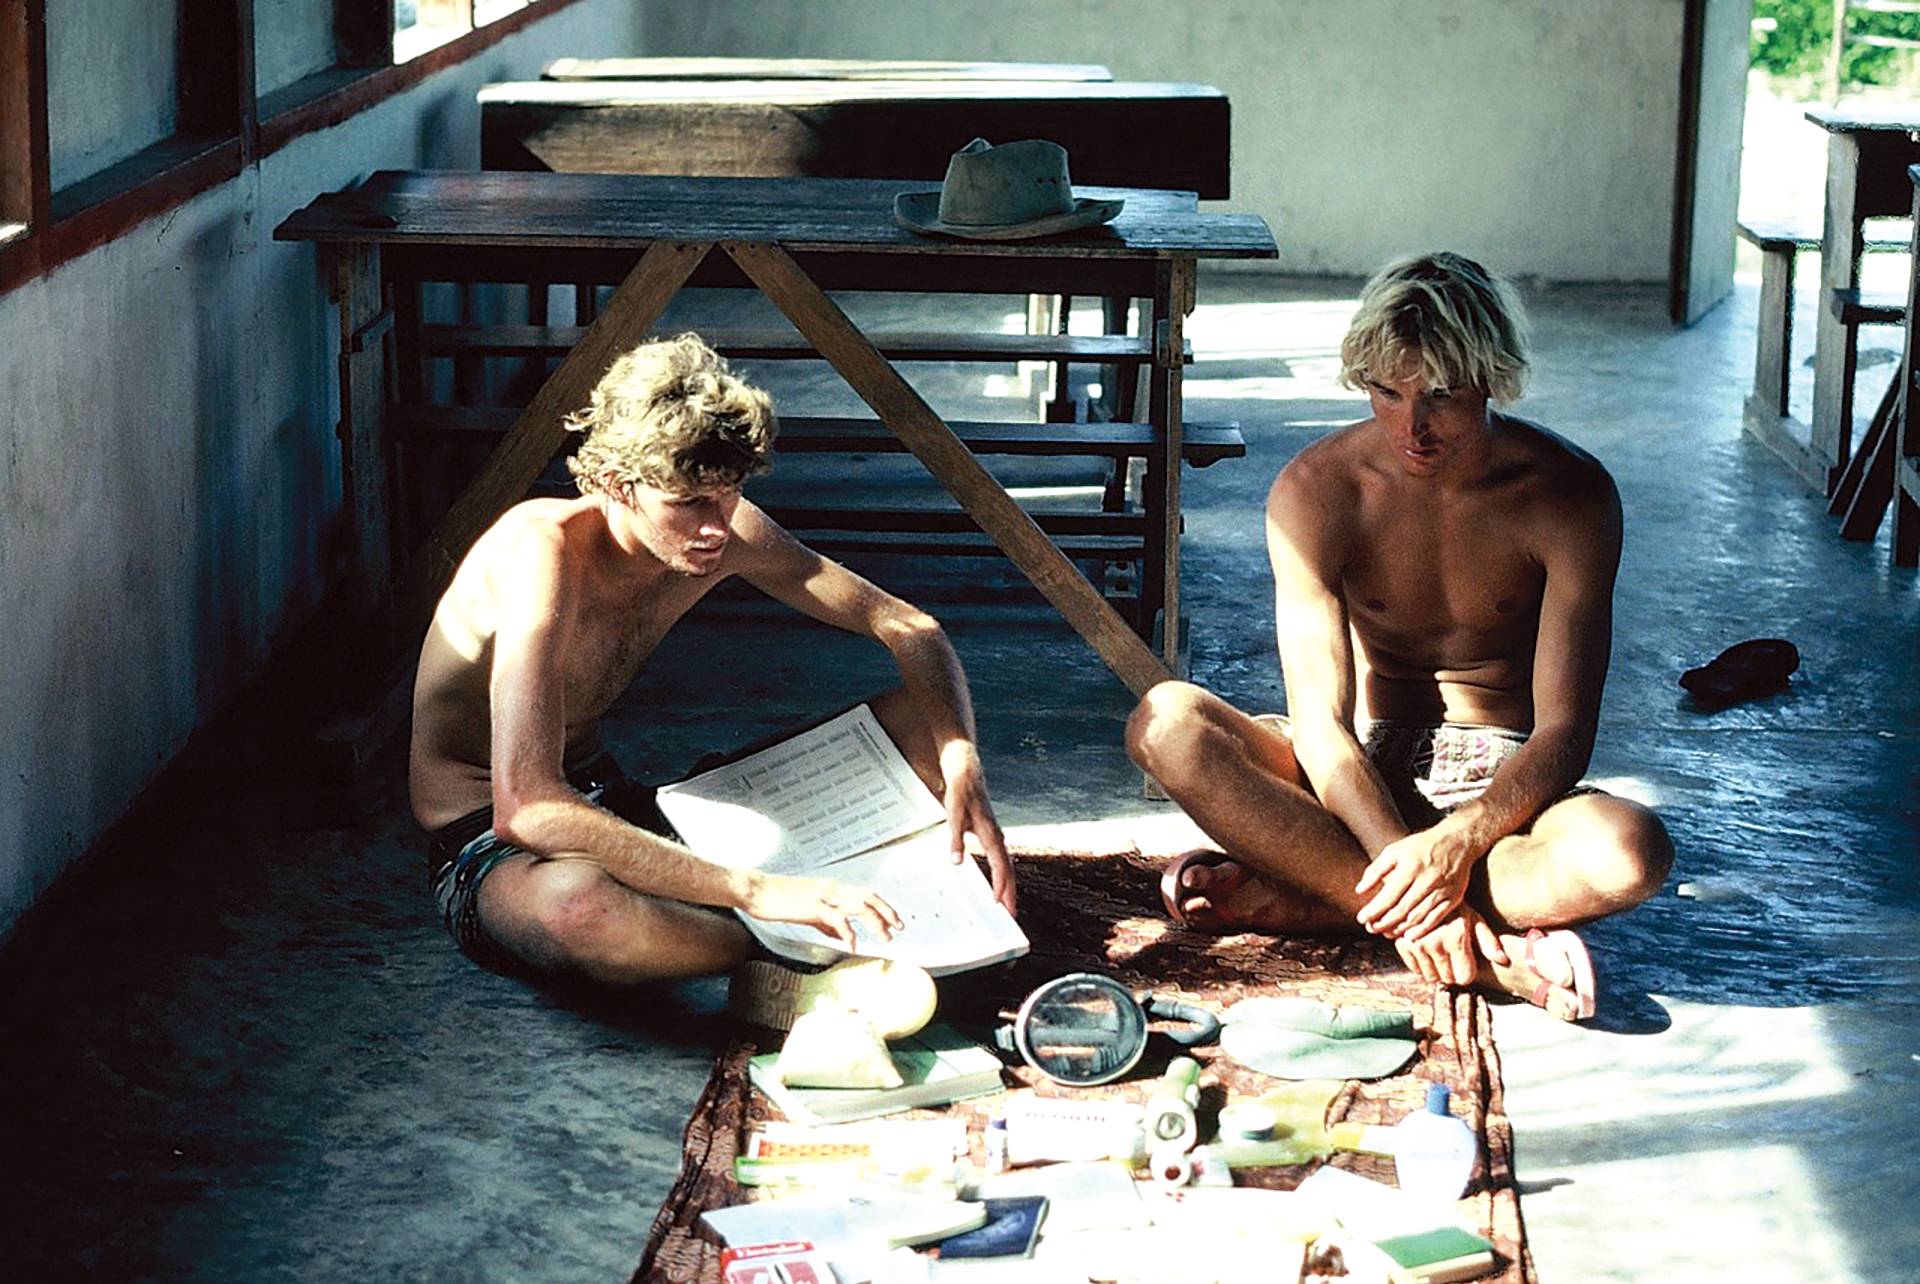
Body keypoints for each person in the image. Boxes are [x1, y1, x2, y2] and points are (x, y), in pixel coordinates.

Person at [1126, 252, 1671, 1021]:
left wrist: (1457, 843)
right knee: (1167, 724)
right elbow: (1320, 727)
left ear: (1490, 377)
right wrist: (1401, 859)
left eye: (1442, 397)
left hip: (1505, 783)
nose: (1411, 426)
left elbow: (1564, 732)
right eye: (1387, 392)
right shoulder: (1316, 491)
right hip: (1353, 775)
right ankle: (1467, 942)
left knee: (1630, 854)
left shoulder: (1568, 495)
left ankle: (1315, 902)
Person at [409, 334, 1013, 988]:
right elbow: (525, 806)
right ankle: (810, 949)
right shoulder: (541, 552)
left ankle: (795, 929)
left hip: (626, 803)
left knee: (933, 726)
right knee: (581, 912)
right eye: (688, 504)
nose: (715, 529)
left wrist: (962, 759)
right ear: (618, 483)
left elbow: (909, 627)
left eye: (728, 496)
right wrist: (755, 892)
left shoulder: (726, 527)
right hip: (496, 844)